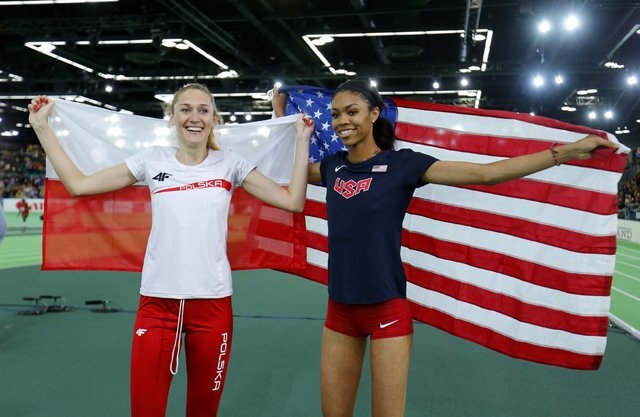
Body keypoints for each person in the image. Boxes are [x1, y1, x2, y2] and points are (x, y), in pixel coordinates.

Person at [273, 80, 619, 417]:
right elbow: (283, 170)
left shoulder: (403, 164)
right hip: (339, 312)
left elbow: (486, 174)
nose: (342, 121)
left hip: (386, 311)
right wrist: (280, 116)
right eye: (335, 115)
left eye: (352, 111)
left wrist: (568, 151)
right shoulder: (333, 166)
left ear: (374, 114)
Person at [28, 83, 314, 417]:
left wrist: (301, 141)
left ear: (215, 119)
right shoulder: (151, 160)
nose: (195, 117)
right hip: (157, 305)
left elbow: (293, 201)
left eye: (203, 110)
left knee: (202, 412)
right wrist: (41, 127)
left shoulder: (231, 164)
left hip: (213, 308)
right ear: (171, 117)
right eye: (186, 109)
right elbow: (79, 185)